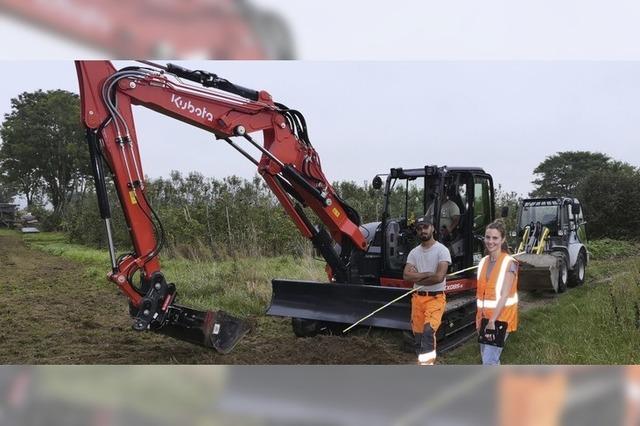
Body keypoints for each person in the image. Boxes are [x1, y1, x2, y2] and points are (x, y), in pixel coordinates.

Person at [403, 215, 451, 365]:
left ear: (432, 228)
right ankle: (421, 363)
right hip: (417, 299)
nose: (422, 230)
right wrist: (427, 274)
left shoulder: (442, 251)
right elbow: (405, 275)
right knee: (418, 336)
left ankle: (427, 368)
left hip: (436, 299)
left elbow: (439, 278)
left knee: (428, 333)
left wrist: (416, 276)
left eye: (425, 227)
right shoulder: (414, 253)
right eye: (419, 228)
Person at [476, 219, 519, 365]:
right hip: (483, 319)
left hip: (500, 319)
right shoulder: (483, 262)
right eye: (488, 237)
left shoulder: (509, 263)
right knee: (487, 359)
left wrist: (492, 321)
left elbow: (505, 295)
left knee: (489, 361)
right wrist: (480, 320)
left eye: (495, 238)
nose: (490, 241)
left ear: (503, 239)